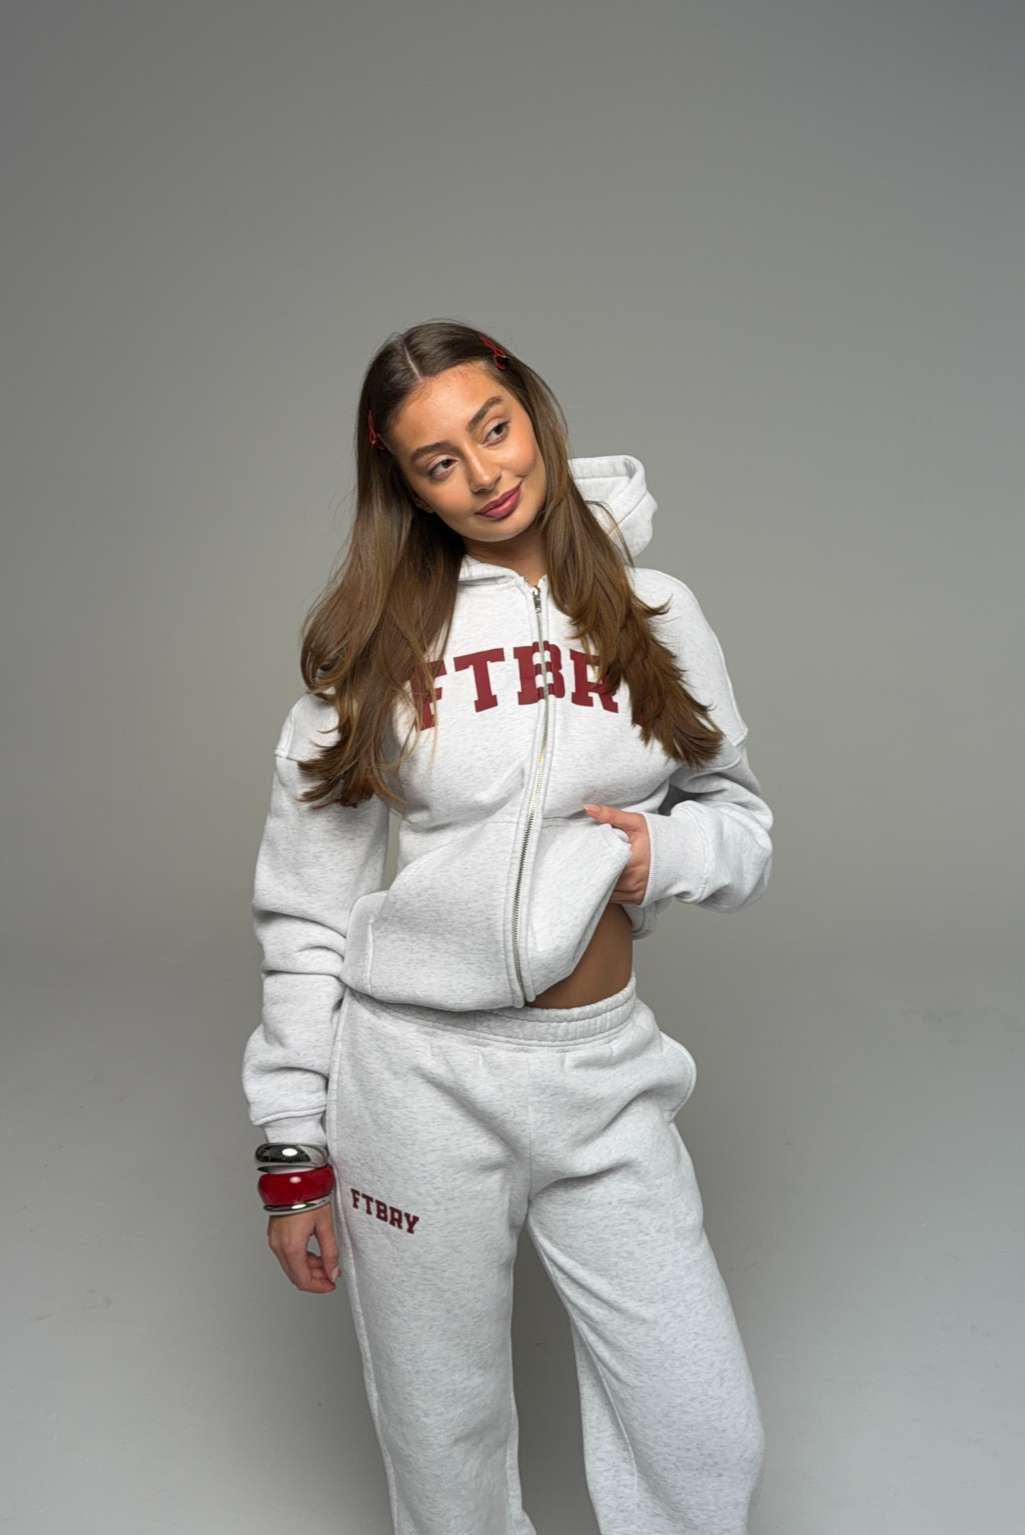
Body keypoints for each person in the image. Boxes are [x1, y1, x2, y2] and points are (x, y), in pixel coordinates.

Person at [242, 319, 774, 1535]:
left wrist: (659, 854)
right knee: (446, 1441)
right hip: (417, 1082)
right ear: (405, 484)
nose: (485, 474)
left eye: (494, 428)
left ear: (530, 411)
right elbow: (306, 910)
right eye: (439, 462)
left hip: (601, 1069)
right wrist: (290, 1151)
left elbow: (739, 821)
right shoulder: (376, 647)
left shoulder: (655, 609)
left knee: (703, 1437)